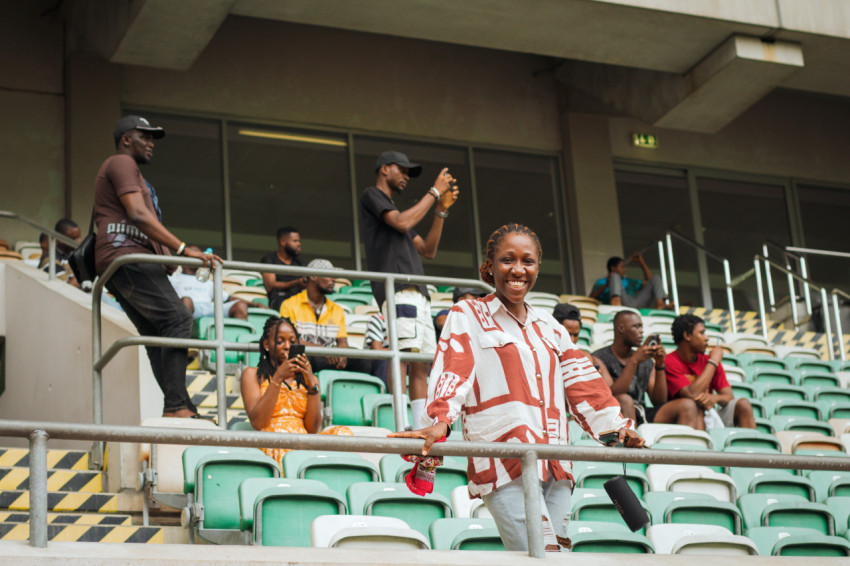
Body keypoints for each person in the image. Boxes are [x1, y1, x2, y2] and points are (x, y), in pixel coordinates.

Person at [390, 223, 644, 552]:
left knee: (558, 555)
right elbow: (454, 370)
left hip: (556, 459)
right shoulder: (468, 314)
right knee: (543, 555)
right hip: (504, 459)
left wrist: (618, 429)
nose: (518, 270)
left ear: (538, 267)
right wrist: (439, 421)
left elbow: (584, 383)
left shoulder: (551, 327)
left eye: (528, 261)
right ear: (490, 267)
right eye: (508, 260)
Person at [94, 114, 220, 418]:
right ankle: (176, 405)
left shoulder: (135, 174)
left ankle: (182, 405)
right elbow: (137, 214)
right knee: (178, 318)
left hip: (128, 261)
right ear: (126, 139)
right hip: (126, 257)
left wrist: (170, 256)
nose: (151, 143)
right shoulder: (121, 162)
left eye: (153, 138)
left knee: (158, 334)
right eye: (145, 136)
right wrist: (180, 249)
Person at [360, 150, 459, 427]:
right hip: (399, 288)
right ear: (383, 169)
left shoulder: (400, 218)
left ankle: (419, 427)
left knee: (420, 364)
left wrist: (441, 210)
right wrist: (434, 192)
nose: (405, 176)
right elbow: (401, 221)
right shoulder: (372, 195)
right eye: (401, 170)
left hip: (418, 291)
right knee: (402, 357)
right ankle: (401, 424)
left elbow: (428, 250)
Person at [240, 316, 351, 469]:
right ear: (266, 344)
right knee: (284, 444)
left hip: (304, 441)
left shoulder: (308, 380)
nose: (287, 346)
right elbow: (258, 422)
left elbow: (312, 430)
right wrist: (278, 377)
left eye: (292, 342)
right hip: (272, 440)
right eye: (280, 341)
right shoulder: (252, 374)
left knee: (343, 434)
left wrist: (312, 384)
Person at [593, 311, 704, 428]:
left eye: (641, 327)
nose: (641, 331)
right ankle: (631, 444)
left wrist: (660, 365)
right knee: (625, 400)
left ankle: (685, 445)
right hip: (616, 413)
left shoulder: (645, 361)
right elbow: (612, 396)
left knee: (688, 405)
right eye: (636, 326)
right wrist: (634, 361)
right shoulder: (599, 357)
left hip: (642, 411)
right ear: (621, 328)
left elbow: (659, 401)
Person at [279, 258, 371, 373]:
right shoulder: (289, 305)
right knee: (303, 357)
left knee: (364, 361)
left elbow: (342, 341)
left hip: (329, 359)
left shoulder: (337, 310)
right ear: (313, 276)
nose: (333, 280)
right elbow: (292, 341)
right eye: (329, 275)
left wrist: (342, 354)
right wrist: (323, 351)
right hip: (306, 358)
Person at [666, 314, 756, 428]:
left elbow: (728, 396)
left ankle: (751, 444)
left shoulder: (708, 361)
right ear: (687, 335)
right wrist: (713, 361)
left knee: (743, 404)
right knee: (696, 407)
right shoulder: (670, 361)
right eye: (702, 333)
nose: (707, 338)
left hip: (709, 413)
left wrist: (714, 398)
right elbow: (692, 394)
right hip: (684, 417)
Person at [168, 245, 256, 321]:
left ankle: (237, 340)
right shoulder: (173, 278)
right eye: (194, 254)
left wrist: (255, 304)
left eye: (201, 255)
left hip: (210, 308)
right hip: (190, 308)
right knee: (186, 301)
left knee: (240, 306)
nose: (199, 257)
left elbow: (228, 298)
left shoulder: (207, 281)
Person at [551, 303, 613, 385]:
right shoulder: (546, 355)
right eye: (567, 334)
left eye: (576, 335)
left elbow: (608, 387)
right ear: (554, 330)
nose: (572, 340)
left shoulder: (584, 356)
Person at [591, 253, 669, 309]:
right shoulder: (601, 282)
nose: (624, 270)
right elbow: (592, 297)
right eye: (622, 267)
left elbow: (650, 282)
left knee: (655, 278)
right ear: (613, 268)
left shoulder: (628, 281)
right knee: (615, 276)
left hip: (634, 303)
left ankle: (660, 303)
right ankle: (616, 301)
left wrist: (641, 262)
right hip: (619, 305)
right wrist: (606, 284)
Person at [260, 226, 305, 311]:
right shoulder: (270, 260)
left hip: (299, 300)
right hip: (278, 301)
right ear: (283, 241)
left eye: (298, 241)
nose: (299, 244)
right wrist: (296, 282)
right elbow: (270, 285)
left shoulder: (301, 263)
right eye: (295, 241)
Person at [39, 218, 82, 287]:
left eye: (79, 236)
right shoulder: (50, 259)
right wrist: (83, 273)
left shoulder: (72, 256)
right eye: (74, 238)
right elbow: (66, 289)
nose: (79, 241)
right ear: (60, 238)